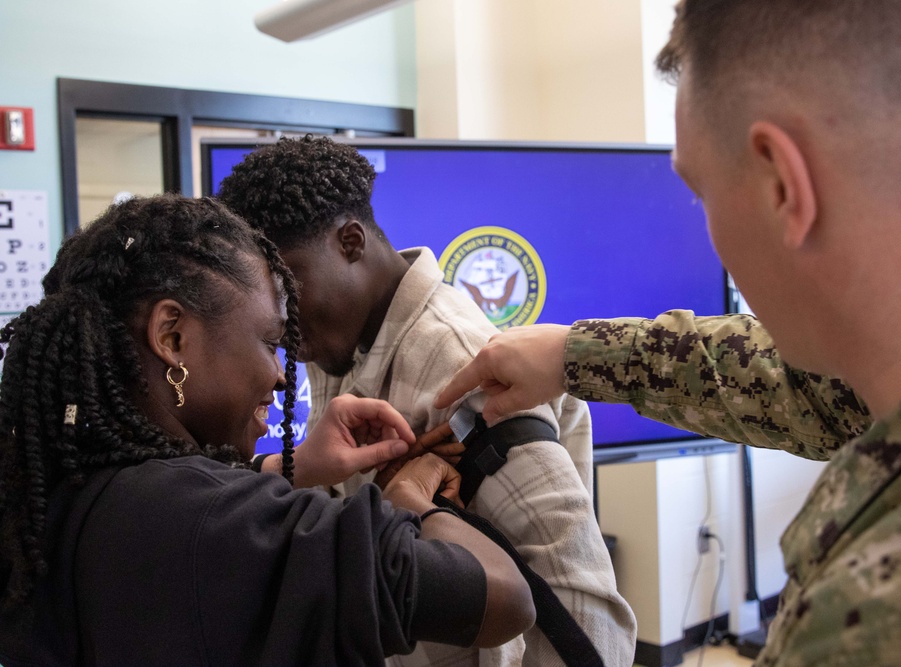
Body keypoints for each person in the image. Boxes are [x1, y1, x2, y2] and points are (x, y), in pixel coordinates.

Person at [435, 1, 901, 665]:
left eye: (700, 192)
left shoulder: (893, 615)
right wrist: (575, 355)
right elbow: (813, 393)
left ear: (782, 184)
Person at [0, 194, 535, 667]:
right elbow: (505, 598)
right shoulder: (225, 526)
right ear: (173, 336)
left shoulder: (45, 489)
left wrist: (287, 466)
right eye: (268, 341)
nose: (281, 376)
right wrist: (410, 494)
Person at [217, 136, 637, 666]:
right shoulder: (341, 340)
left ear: (350, 242)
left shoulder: (457, 363)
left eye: (290, 289)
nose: (281, 322)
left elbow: (582, 610)